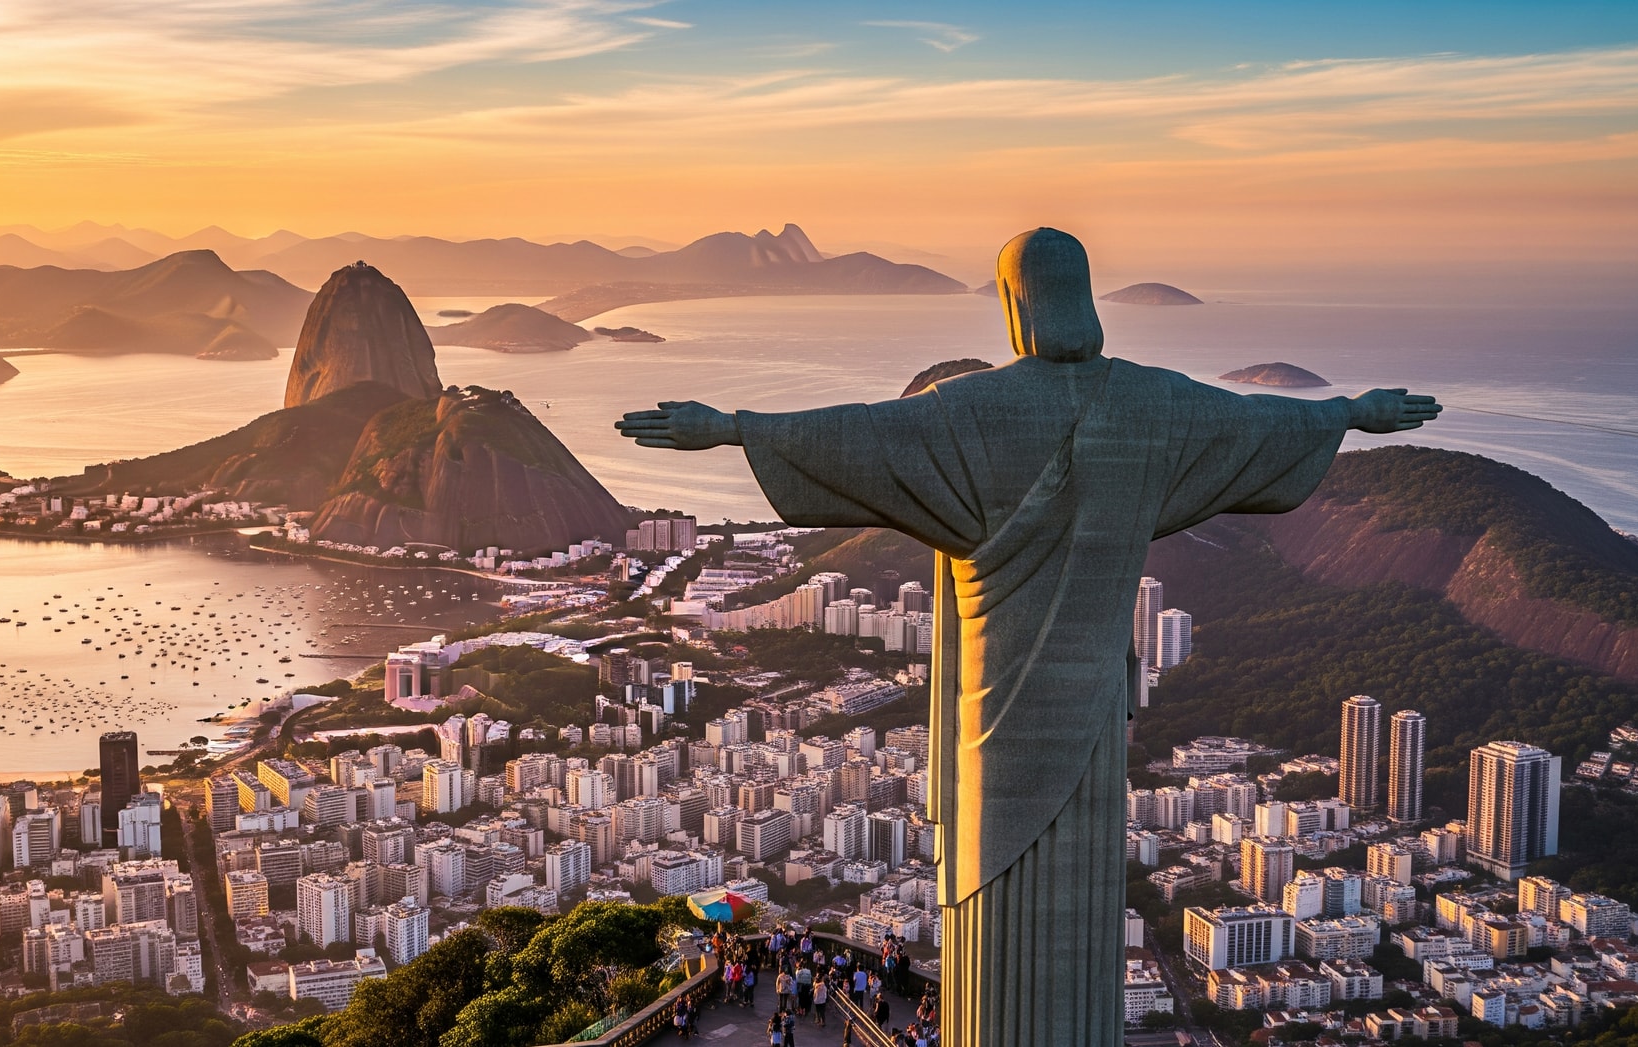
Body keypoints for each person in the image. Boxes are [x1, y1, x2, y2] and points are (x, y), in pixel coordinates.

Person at [616, 226, 1440, 1047]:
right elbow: (1255, 422)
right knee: (1070, 916)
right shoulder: (1152, 406)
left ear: (1016, 305)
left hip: (993, 726)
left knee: (995, 908)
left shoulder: (969, 414)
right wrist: (1352, 413)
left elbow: (857, 433)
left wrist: (730, 426)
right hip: (1092, 716)